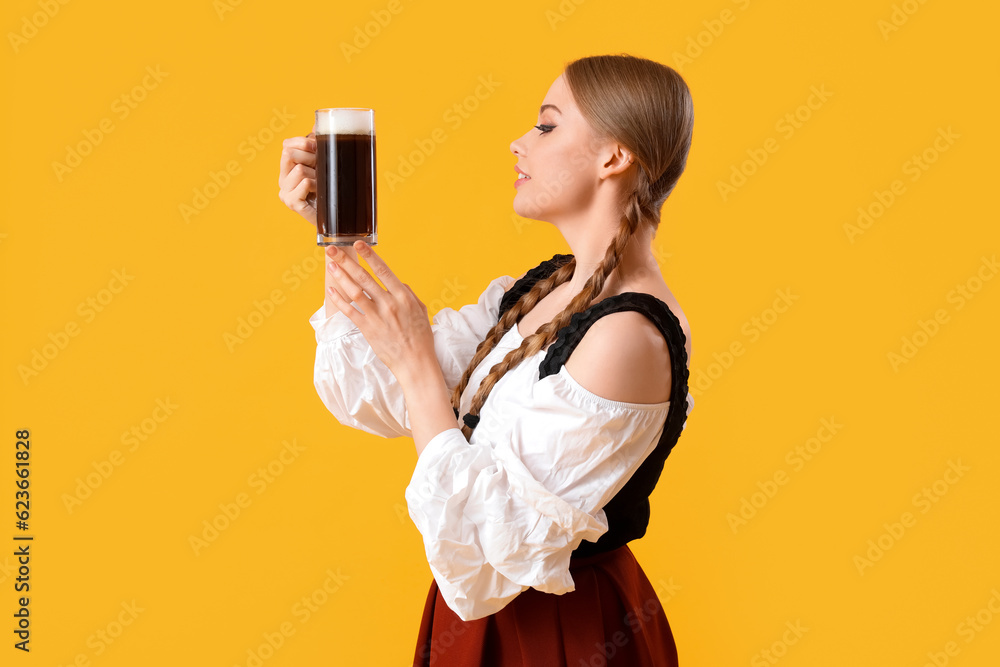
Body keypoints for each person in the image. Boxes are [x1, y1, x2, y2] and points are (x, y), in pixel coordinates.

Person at [278, 53, 695, 666]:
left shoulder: (628, 336)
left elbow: (492, 553)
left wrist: (416, 360)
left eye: (547, 126)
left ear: (614, 157)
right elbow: (371, 393)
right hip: (475, 622)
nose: (518, 143)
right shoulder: (537, 292)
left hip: (560, 633)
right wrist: (340, 239)